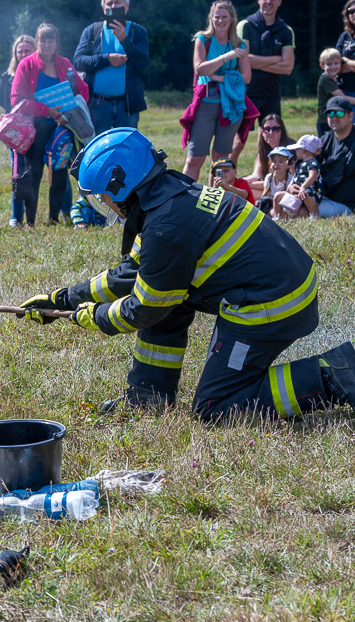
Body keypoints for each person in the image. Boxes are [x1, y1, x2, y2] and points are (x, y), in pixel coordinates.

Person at [20, 127, 354, 422]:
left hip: (273, 303)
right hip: (278, 283)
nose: (105, 204)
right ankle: (149, 396)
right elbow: (130, 274)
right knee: (167, 295)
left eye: (103, 197)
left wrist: (95, 316)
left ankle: (335, 374)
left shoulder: (166, 228)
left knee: (217, 407)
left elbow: (143, 308)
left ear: (120, 185)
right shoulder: (169, 193)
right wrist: (63, 299)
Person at [11, 25, 88, 225]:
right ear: (36, 42)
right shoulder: (26, 65)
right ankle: (30, 221)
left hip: (61, 126)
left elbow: (83, 90)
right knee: (34, 172)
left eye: (50, 40)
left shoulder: (64, 64)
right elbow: (16, 99)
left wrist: (69, 115)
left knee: (61, 171)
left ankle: (54, 218)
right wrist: (47, 110)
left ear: (56, 43)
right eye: (42, 40)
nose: (46, 44)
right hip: (36, 127)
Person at [179, 1, 254, 182]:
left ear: (232, 19)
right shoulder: (202, 39)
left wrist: (218, 77)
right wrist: (227, 57)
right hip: (206, 102)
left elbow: (246, 77)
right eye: (217, 17)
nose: (220, 21)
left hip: (231, 106)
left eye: (224, 17)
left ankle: (216, 196)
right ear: (211, 18)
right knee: (195, 157)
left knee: (221, 159)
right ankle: (184, 194)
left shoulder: (240, 44)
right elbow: (200, 69)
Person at [232, 0, 295, 163]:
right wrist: (276, 59)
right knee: (238, 142)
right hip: (246, 92)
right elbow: (243, 60)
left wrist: (255, 62)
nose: (269, 2)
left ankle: (262, 174)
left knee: (269, 139)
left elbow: (288, 67)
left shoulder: (286, 31)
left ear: (280, 1)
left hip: (271, 93)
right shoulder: (245, 26)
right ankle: (226, 173)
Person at [73, 0, 150, 133]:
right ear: (104, 9)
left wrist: (124, 40)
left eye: (118, 2)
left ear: (126, 6)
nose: (113, 6)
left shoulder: (138, 32)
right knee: (99, 145)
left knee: (126, 144)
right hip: (97, 104)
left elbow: (143, 63)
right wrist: (107, 59)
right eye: (109, 3)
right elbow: (78, 61)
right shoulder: (92, 31)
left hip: (127, 105)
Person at [0, 35, 36, 227]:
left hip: (38, 126)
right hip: (16, 131)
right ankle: (17, 216)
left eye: (27, 51)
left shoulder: (40, 73)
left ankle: (61, 212)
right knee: (17, 171)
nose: (23, 54)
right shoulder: (6, 77)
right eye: (20, 51)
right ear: (15, 53)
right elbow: (3, 101)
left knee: (51, 168)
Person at [313, 96, 355, 217]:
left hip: (347, 204)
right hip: (324, 197)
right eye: (330, 114)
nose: (334, 118)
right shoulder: (324, 140)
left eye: (340, 113)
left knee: (303, 211)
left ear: (351, 116)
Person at [244, 113, 294, 195]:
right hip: (269, 186)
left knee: (245, 189)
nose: (270, 133)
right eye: (267, 129)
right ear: (262, 132)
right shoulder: (263, 150)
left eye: (275, 129)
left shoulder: (290, 150)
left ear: (282, 131)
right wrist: (237, 182)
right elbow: (257, 175)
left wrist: (244, 184)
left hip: (287, 189)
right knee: (244, 190)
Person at [281, 135, 324, 218]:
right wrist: (292, 168)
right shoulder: (301, 164)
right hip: (301, 189)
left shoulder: (313, 163)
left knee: (306, 194)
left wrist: (303, 187)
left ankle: (314, 214)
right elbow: (297, 177)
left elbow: (312, 176)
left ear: (303, 150)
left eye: (297, 149)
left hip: (312, 191)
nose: (295, 151)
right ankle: (280, 215)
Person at [316, 49, 355, 136]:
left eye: (336, 63)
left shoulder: (336, 77)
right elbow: (342, 98)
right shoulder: (325, 79)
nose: (333, 67)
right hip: (326, 120)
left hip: (335, 118)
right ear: (322, 66)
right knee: (327, 143)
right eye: (329, 64)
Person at [260, 145, 293, 217]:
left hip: (286, 207)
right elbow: (264, 195)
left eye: (281, 161)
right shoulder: (269, 178)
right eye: (274, 161)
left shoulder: (290, 179)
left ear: (288, 165)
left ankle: (278, 216)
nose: (276, 164)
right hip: (272, 206)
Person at [335, 0, 355, 93]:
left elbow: (342, 61)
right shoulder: (344, 36)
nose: (354, 14)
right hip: (344, 91)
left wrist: (345, 61)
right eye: (351, 11)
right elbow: (335, 62)